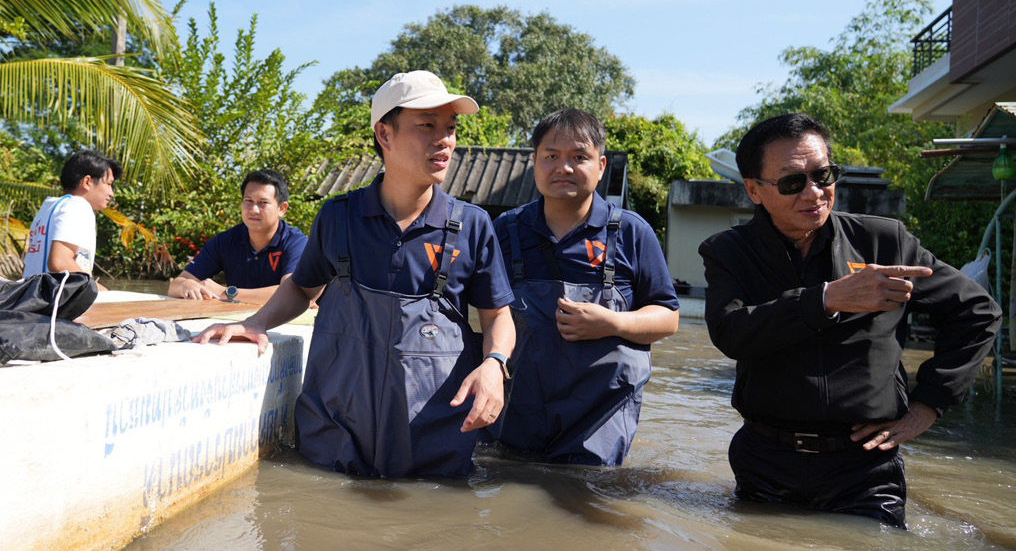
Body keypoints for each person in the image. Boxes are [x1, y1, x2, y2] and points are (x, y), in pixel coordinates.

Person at [194, 70, 517, 478]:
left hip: (434, 439)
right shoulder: (339, 216)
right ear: (385, 133)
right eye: (427, 126)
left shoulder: (472, 225)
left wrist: (494, 363)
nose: (445, 140)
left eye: (450, 128)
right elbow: (302, 286)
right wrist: (253, 323)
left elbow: (497, 316)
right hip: (336, 438)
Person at [699, 113, 1000, 526]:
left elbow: (977, 311)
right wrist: (826, 299)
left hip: (866, 469)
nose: (814, 192)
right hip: (766, 462)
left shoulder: (883, 242)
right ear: (754, 190)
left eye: (823, 175)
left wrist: (930, 402)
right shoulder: (728, 252)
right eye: (792, 182)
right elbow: (731, 333)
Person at [491, 109, 679, 466]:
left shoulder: (632, 232)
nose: (564, 167)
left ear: (601, 165)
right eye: (551, 156)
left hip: (599, 420)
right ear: (534, 162)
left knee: (586, 500)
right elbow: (484, 311)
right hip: (518, 412)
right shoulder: (505, 230)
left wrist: (612, 323)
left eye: (579, 157)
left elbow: (668, 317)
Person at [168, 169, 307, 304]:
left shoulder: (297, 243)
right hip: (236, 320)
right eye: (248, 201)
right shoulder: (225, 241)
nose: (253, 210)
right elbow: (175, 286)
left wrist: (226, 292)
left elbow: (292, 294)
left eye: (263, 203)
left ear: (282, 209)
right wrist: (187, 286)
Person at [22, 149, 122, 290]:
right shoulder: (78, 205)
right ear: (87, 182)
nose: (111, 193)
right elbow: (60, 262)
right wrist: (101, 291)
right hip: (52, 303)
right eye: (109, 184)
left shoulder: (48, 208)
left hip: (30, 296)